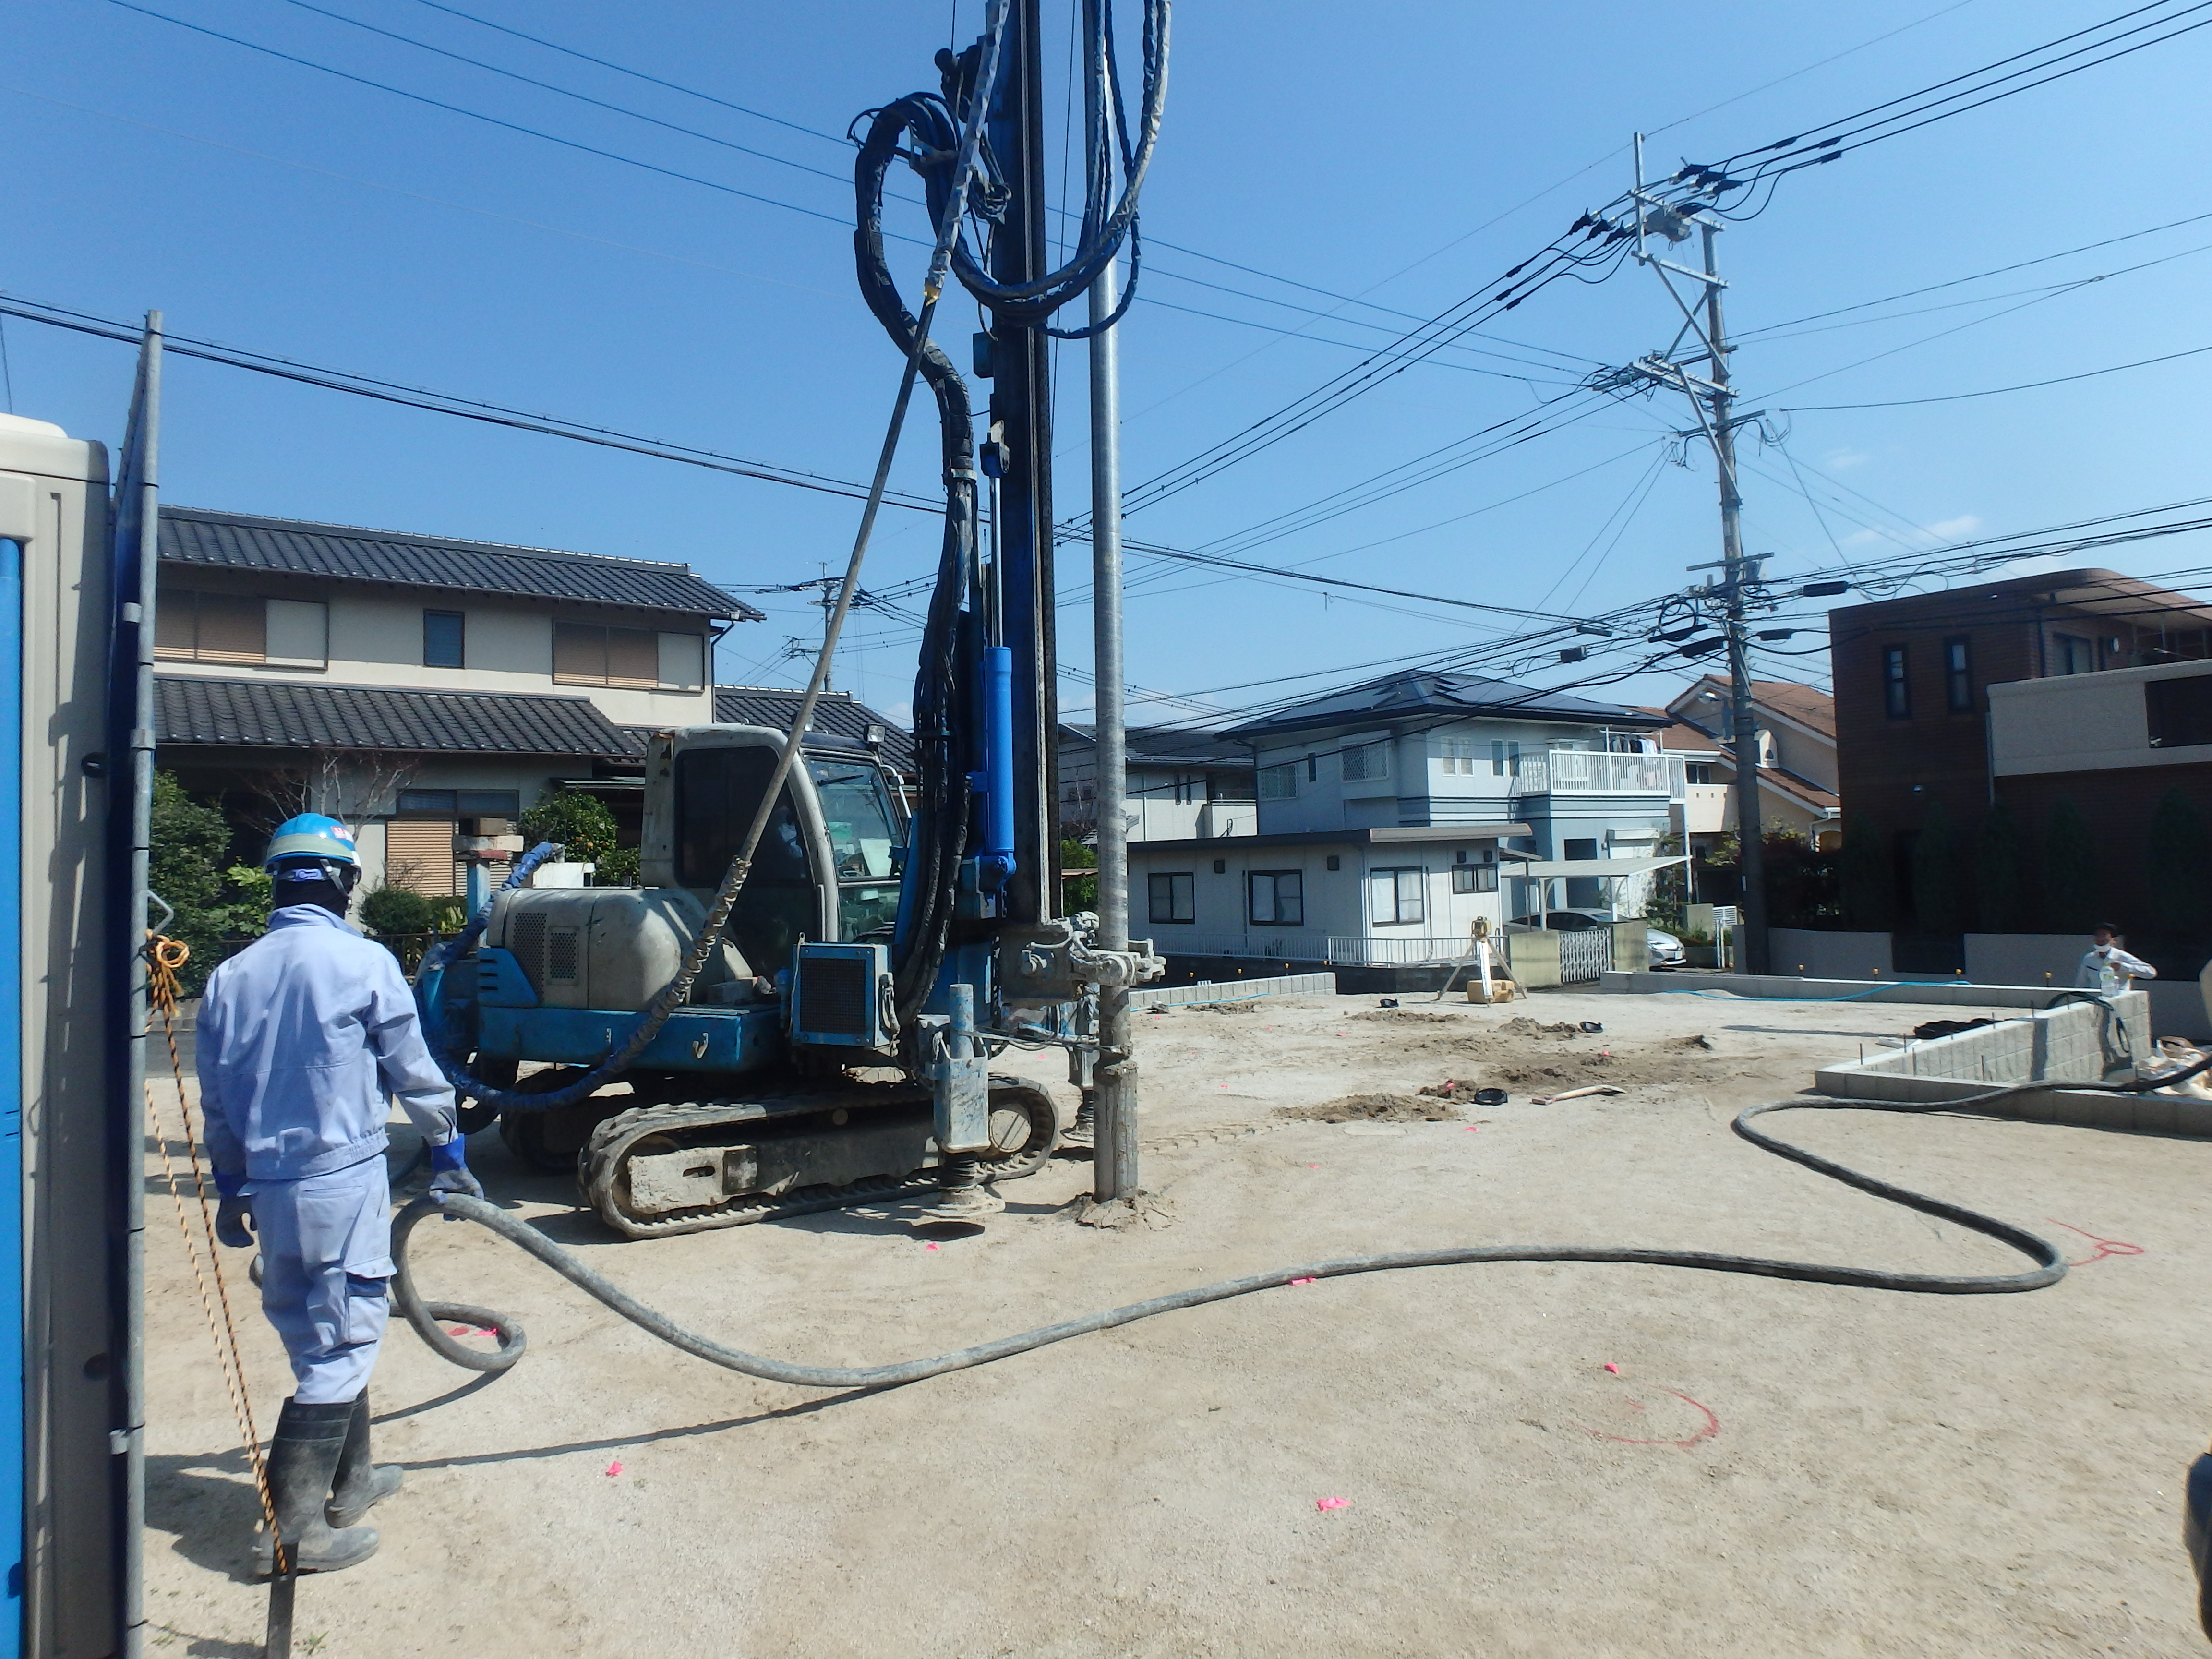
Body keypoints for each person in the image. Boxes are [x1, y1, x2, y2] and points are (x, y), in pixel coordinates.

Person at [198, 813, 484, 1575]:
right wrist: (447, 1148)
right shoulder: (362, 963)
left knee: (316, 1336)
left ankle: (350, 1484)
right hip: (341, 1182)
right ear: (342, 883)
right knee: (347, 1338)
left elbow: (220, 1102)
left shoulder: (232, 976)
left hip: (271, 1188)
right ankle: (294, 1534)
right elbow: (416, 1071)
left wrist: (232, 1188)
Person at [2077, 923, 2158, 995]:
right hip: (2096, 1001)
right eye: (2098, 935)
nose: (2100, 939)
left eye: (2104, 935)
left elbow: (2151, 973)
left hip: (2119, 1000)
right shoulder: (2089, 958)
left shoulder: (2122, 956)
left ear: (2114, 940)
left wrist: (2122, 967)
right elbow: (2081, 983)